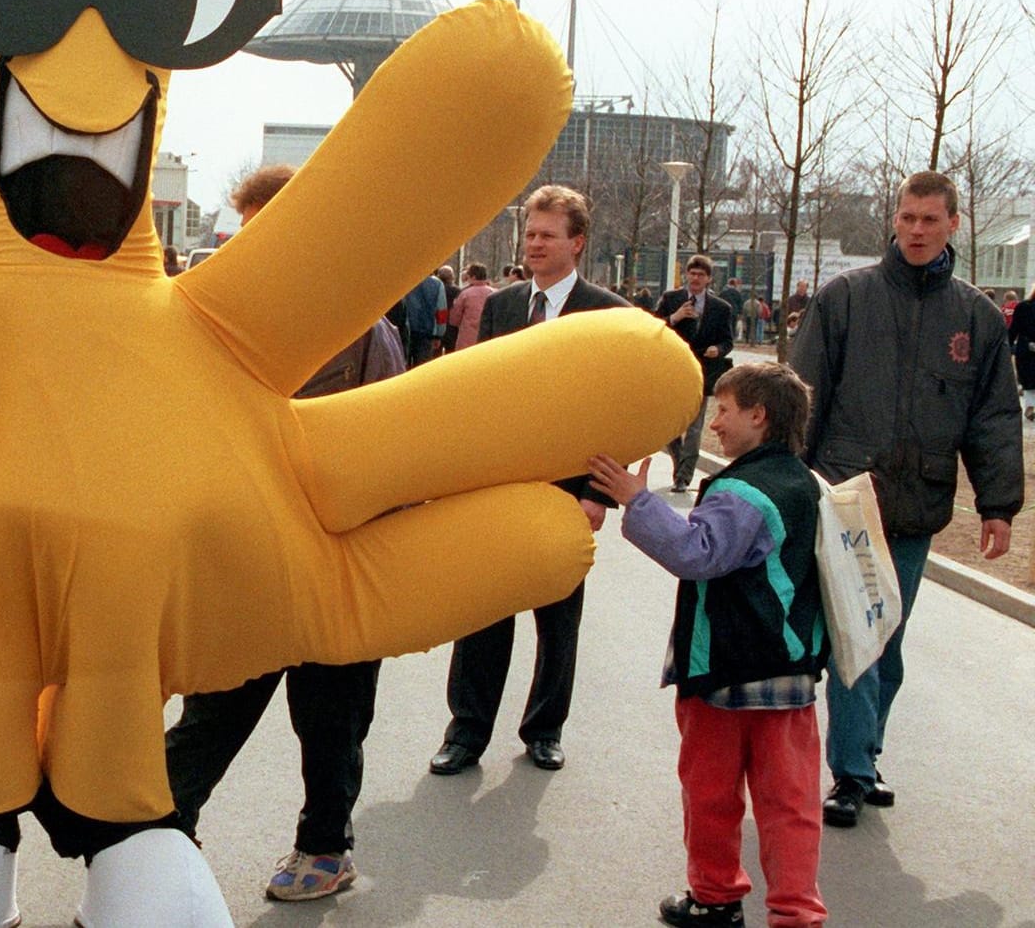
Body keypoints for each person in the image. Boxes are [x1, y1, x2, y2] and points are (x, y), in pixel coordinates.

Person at [164, 164, 405, 903]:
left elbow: (390, 444)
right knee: (212, 709)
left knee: (331, 720)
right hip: (243, 561)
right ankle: (161, 834)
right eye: (250, 229)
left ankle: (325, 845)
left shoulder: (364, 328)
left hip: (336, 562)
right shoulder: (217, 322)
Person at [790, 169, 1021, 828]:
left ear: (954, 223)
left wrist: (998, 506)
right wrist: (789, 487)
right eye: (907, 217)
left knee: (886, 644)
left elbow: (994, 418)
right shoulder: (845, 299)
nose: (916, 229)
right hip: (845, 502)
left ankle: (862, 754)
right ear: (894, 219)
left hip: (917, 508)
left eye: (930, 219)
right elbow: (801, 396)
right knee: (854, 639)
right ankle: (852, 774)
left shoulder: (976, 318)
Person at [587, 362, 828, 928]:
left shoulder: (743, 491)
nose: (714, 423)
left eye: (724, 410)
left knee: (712, 794)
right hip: (789, 675)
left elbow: (699, 553)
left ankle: (715, 896)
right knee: (790, 806)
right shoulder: (802, 482)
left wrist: (635, 499)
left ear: (758, 416)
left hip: (722, 670)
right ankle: (796, 912)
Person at [430, 184, 627, 776]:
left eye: (547, 235)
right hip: (501, 487)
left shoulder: (610, 314)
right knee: (484, 610)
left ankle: (545, 729)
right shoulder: (503, 306)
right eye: (530, 234)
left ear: (578, 242)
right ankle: (466, 732)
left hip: (571, 490)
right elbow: (485, 393)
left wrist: (597, 494)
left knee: (557, 615)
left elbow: (619, 410)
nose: (535, 244)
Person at [658, 254, 736, 494]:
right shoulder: (672, 300)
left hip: (702, 373)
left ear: (708, 279)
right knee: (669, 426)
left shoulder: (721, 308)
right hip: (674, 370)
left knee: (694, 426)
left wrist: (718, 350)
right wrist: (675, 317)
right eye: (692, 273)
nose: (695, 278)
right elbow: (653, 325)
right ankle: (679, 459)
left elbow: (727, 340)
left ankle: (683, 475)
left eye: (701, 275)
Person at [396, 268, 446, 365]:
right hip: (426, 332)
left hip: (406, 330)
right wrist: (439, 334)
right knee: (423, 365)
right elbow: (441, 311)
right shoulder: (437, 284)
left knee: (403, 364)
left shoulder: (404, 282)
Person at [447, 262, 495, 350]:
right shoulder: (495, 293)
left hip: (467, 338)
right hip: (489, 338)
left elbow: (454, 319)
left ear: (473, 277)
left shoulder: (465, 294)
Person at [1010, 281, 1035, 422]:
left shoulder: (1023, 307)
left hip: (1025, 348)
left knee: (1029, 379)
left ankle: (1030, 407)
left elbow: (1014, 329)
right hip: (1027, 347)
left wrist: (1007, 345)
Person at [720, 276, 746, 342]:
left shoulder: (723, 292)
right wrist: (740, 313)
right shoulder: (737, 293)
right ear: (735, 284)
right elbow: (740, 303)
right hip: (734, 312)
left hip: (724, 312)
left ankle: (725, 337)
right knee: (733, 325)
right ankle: (732, 338)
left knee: (725, 325)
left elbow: (719, 301)